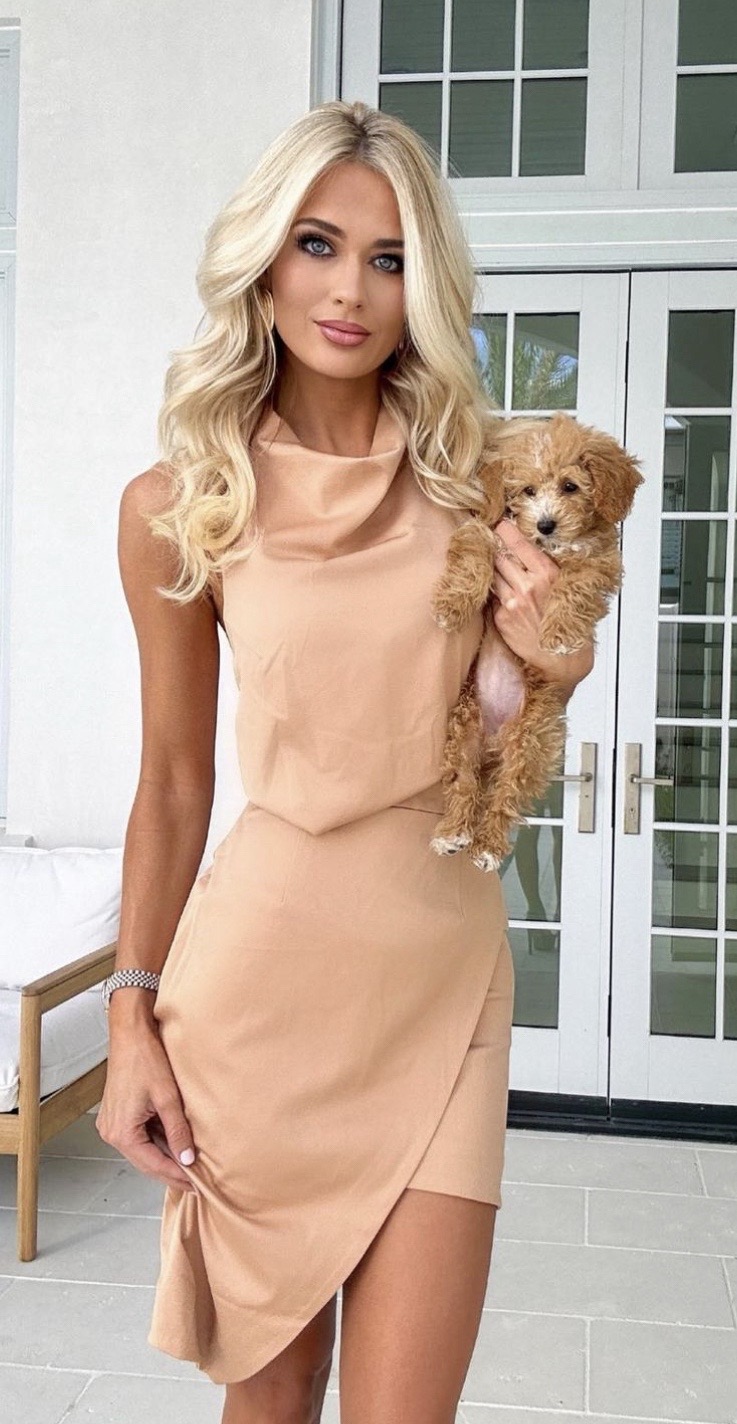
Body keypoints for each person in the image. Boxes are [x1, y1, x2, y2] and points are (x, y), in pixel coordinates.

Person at [96, 99, 594, 1424]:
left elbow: (515, 709)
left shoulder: (483, 486)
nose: (349, 291)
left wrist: (559, 656)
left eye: (388, 259)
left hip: (441, 980)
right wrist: (130, 1019)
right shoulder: (178, 506)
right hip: (257, 996)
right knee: (270, 1401)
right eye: (318, 245)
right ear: (264, 258)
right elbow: (174, 780)